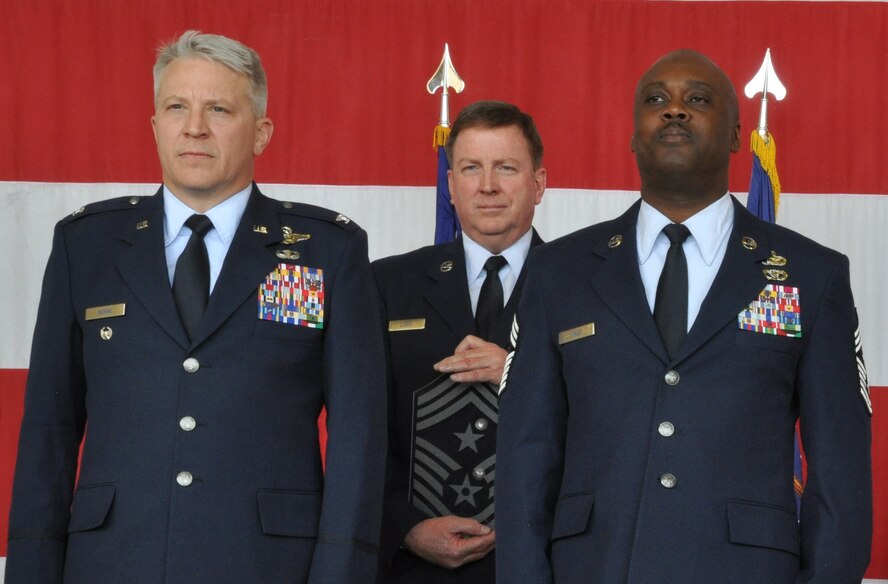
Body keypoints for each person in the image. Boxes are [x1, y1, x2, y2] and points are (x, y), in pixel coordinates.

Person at [5, 30, 386, 583]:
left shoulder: (325, 250)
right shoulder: (85, 246)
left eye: (219, 109)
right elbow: (48, 430)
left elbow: (358, 433)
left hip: (269, 566)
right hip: (112, 563)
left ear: (261, 132)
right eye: (176, 107)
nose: (195, 127)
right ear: (155, 126)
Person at [496, 50, 872, 583]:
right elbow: (525, 458)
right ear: (632, 134)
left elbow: (840, 474)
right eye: (656, 100)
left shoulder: (812, 276)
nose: (674, 111)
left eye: (697, 99)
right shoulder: (559, 272)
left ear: (739, 134)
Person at [372, 100, 546, 583]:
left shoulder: (583, 288)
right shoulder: (386, 286)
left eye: (506, 168)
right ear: (451, 186)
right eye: (471, 168)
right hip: (411, 567)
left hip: (538, 561)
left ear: (539, 184)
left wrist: (516, 372)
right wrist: (405, 528)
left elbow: (607, 425)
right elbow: (360, 431)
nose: (487, 185)